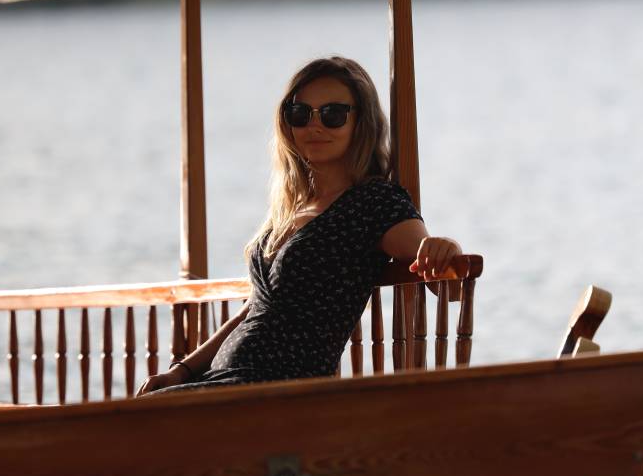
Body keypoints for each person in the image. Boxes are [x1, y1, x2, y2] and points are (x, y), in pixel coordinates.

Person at [137, 56, 462, 395]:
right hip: (227, 383)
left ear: (361, 123)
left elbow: (445, 280)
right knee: (136, 410)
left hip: (282, 388)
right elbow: (255, 310)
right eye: (300, 113)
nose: (314, 126)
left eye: (333, 114)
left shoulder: (373, 202)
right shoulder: (292, 207)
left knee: (130, 421)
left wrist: (447, 248)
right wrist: (182, 370)